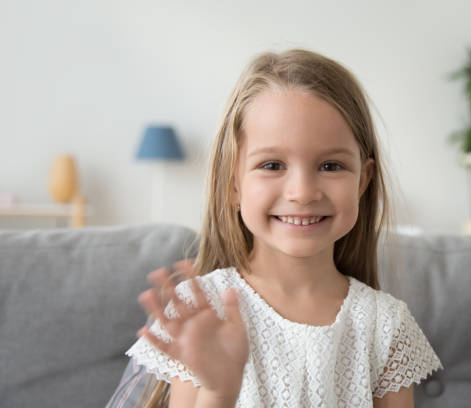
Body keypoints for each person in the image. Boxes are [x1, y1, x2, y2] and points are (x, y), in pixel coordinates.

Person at [117, 48, 443, 408]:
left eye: (331, 166)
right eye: (272, 164)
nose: (302, 193)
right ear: (232, 182)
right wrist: (217, 391)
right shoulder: (202, 313)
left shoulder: (387, 326)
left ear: (362, 182)